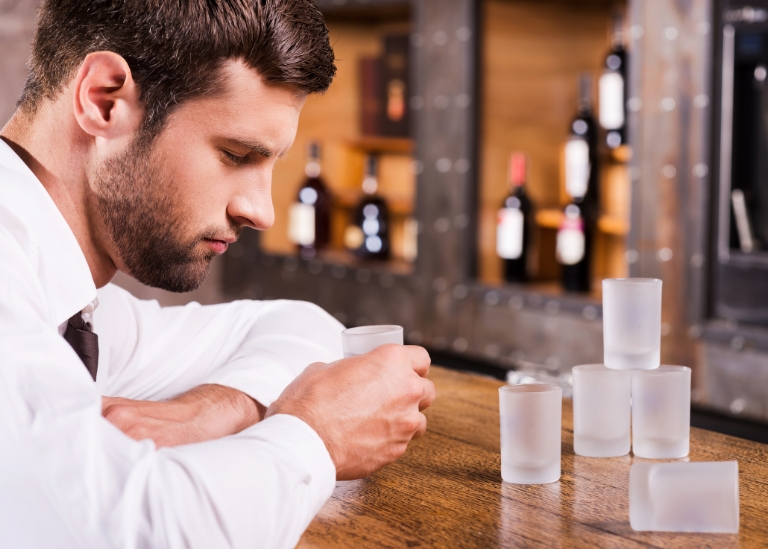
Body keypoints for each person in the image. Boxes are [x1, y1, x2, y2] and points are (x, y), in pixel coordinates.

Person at [0, 0, 435, 547]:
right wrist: (318, 437)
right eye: (235, 155)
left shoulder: (73, 305)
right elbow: (132, 533)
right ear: (104, 100)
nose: (262, 211)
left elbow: (298, 325)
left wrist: (215, 409)